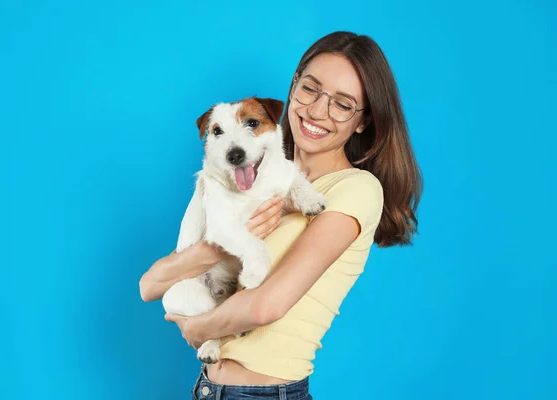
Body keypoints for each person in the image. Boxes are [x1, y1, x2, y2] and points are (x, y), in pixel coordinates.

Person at [139, 31, 423, 399]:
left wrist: (198, 329)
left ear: (363, 121)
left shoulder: (356, 189)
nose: (317, 111)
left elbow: (266, 306)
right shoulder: (253, 177)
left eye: (342, 103)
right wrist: (213, 251)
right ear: (293, 87)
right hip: (208, 388)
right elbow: (149, 286)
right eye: (311, 89)